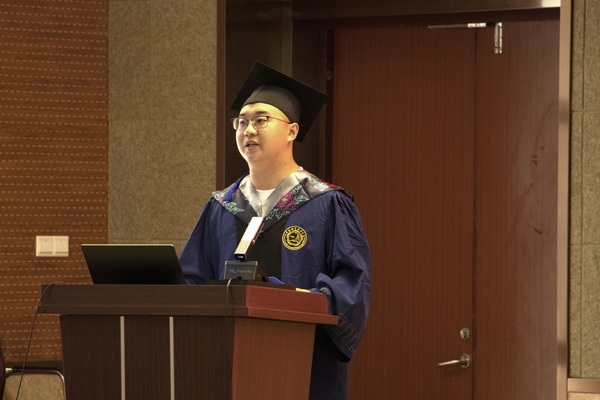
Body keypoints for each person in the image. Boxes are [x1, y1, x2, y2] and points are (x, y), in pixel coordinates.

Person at [179, 61, 372, 400]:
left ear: (292, 131)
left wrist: (300, 300)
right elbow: (191, 280)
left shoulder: (327, 204)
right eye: (242, 121)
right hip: (229, 365)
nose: (248, 130)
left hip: (304, 368)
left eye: (261, 120)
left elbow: (352, 286)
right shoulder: (221, 207)